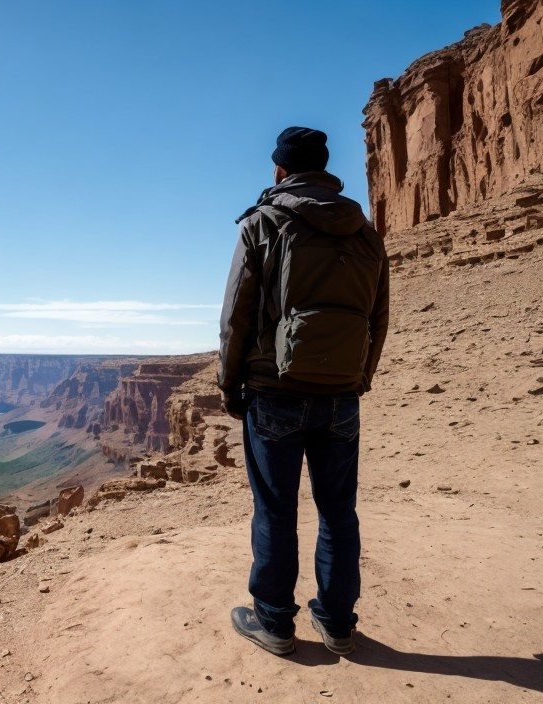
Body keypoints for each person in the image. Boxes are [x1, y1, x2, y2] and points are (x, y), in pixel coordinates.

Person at [219, 126, 390, 656]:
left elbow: (236, 317)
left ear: (279, 170)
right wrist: (360, 378)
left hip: (275, 392)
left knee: (275, 510)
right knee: (339, 511)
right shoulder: (364, 231)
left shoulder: (263, 222)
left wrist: (231, 387)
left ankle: (273, 621)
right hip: (342, 395)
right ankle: (338, 623)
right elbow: (378, 316)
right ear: (326, 169)